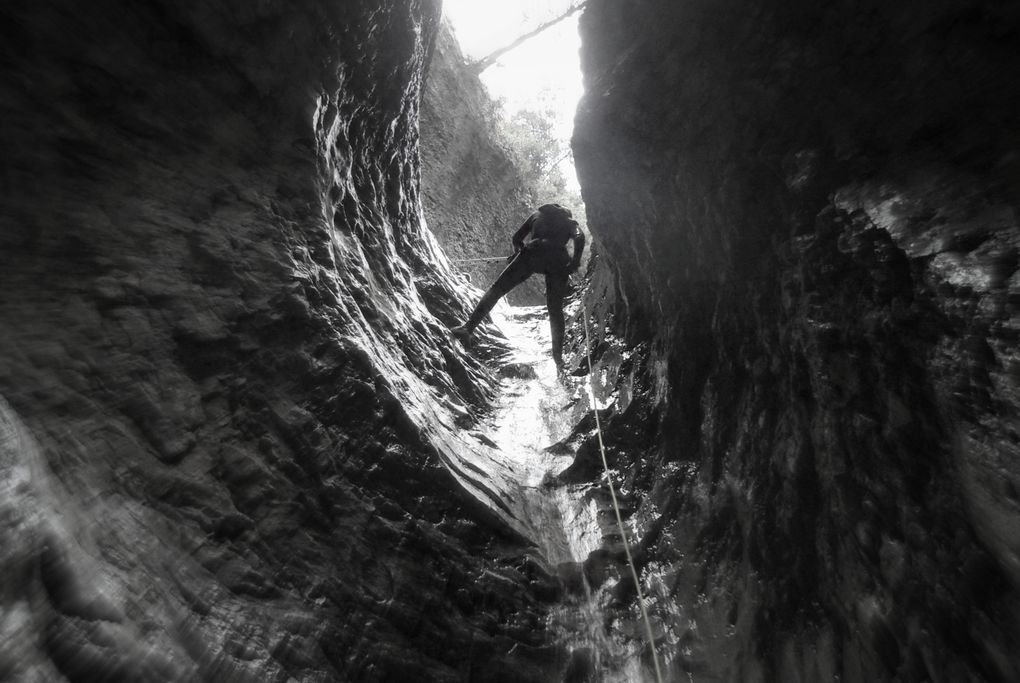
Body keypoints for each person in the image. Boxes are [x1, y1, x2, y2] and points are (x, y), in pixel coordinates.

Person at [451, 203, 585, 369]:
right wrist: (575, 262)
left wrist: (517, 252)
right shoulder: (569, 221)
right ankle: (558, 359)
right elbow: (579, 237)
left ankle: (468, 328)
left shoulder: (537, 215)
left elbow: (516, 238)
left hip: (532, 254)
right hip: (557, 260)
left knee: (497, 289)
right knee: (555, 309)